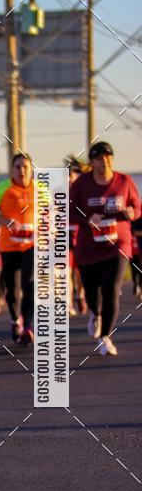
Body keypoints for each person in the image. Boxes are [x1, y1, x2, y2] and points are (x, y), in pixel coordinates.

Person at [69, 141, 141, 355]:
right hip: (89, 247)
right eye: (99, 158)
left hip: (118, 244)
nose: (104, 161)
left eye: (108, 157)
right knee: (92, 291)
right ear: (92, 162)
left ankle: (105, 336)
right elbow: (68, 211)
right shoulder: (81, 184)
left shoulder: (124, 181)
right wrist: (87, 218)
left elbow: (137, 207)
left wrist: (131, 213)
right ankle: (95, 313)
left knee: (110, 288)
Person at [0, 153, 35, 345]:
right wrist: (6, 221)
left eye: (25, 167)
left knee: (29, 285)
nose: (21, 170)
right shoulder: (2, 188)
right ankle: (16, 320)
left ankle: (29, 327)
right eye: (17, 167)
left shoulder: (41, 189)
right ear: (12, 170)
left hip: (32, 245)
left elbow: (50, 213)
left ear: (31, 169)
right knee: (13, 290)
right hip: (9, 246)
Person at [64, 154, 89, 316]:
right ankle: (67, 303)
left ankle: (80, 295)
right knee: (65, 271)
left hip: (81, 234)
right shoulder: (57, 193)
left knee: (79, 272)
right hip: (62, 235)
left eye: (72, 174)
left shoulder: (82, 191)